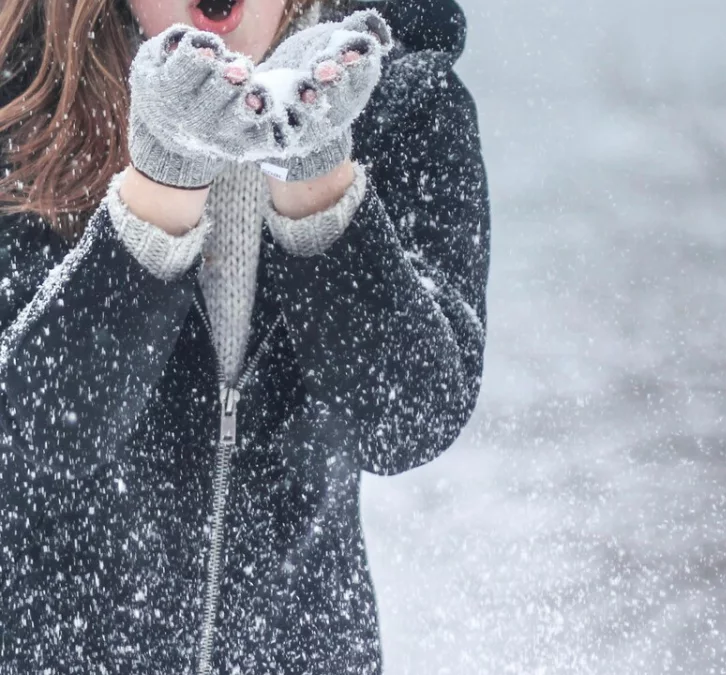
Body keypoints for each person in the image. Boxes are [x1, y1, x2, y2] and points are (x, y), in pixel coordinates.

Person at [0, 0, 489, 671]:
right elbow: (27, 441)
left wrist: (317, 175)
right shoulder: (20, 95)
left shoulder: (404, 101)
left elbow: (410, 419)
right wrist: (161, 185)